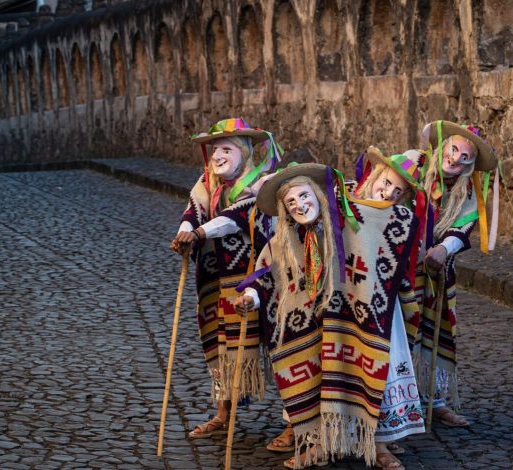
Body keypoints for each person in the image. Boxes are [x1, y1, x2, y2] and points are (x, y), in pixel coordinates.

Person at [234, 163, 419, 469]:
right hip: (315, 323)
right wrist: (250, 299)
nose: (300, 205)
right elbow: (264, 276)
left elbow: (395, 219)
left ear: (317, 194)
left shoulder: (348, 222)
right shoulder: (283, 242)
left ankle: (379, 445)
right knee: (318, 377)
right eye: (291, 203)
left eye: (304, 196)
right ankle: (320, 445)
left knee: (373, 373)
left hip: (360, 315)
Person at [169, 117, 281, 439]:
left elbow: (236, 217)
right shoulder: (207, 184)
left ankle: (294, 422)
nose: (218, 155)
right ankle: (223, 413)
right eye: (215, 149)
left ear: (244, 152)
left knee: (278, 345)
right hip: (215, 279)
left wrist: (201, 232)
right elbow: (193, 212)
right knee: (220, 344)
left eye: (226, 149)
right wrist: (184, 234)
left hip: (257, 278)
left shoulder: (260, 184)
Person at [416, 120, 498, 428]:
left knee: (436, 331)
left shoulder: (466, 192)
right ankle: (398, 401)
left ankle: (434, 400)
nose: (456, 160)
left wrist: (443, 249)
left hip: (437, 275)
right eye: (453, 150)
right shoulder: (415, 168)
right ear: (444, 146)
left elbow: (464, 227)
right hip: (399, 270)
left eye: (466, 157)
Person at [353, 147, 428, 470]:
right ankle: (322, 436)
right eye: (385, 183)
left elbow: (402, 263)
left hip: (384, 307)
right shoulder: (347, 206)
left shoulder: (402, 219)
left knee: (382, 364)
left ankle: (380, 441)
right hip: (345, 304)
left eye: (398, 192)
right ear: (374, 175)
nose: (388, 193)